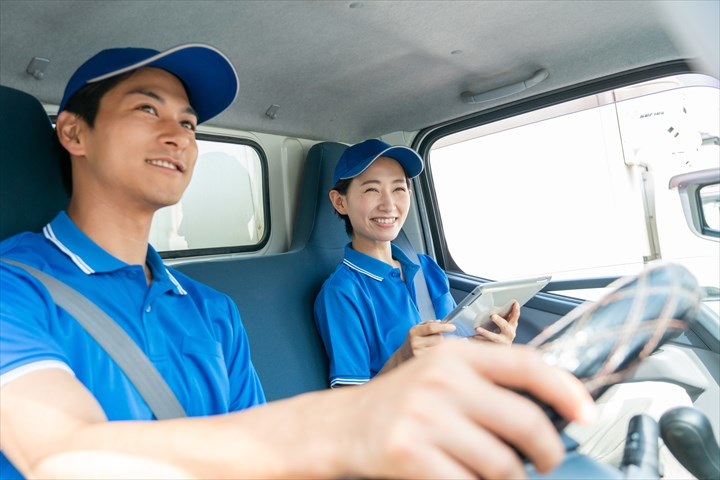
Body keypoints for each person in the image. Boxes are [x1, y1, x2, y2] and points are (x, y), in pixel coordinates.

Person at [0, 44, 596, 479]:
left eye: (187, 121)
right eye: (147, 111)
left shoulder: (211, 310)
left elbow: (254, 450)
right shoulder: (14, 288)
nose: (178, 135)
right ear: (74, 134)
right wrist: (350, 425)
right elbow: (61, 453)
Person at [314, 139, 520, 387]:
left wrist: (491, 345)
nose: (389, 205)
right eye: (372, 190)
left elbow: (455, 346)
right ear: (340, 202)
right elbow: (349, 400)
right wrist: (402, 359)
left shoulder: (425, 267)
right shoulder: (342, 292)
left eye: (398, 189)